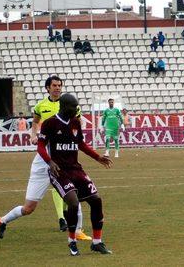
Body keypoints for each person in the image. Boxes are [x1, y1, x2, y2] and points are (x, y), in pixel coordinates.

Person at [0, 76, 91, 241]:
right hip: (43, 159)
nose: (57, 88)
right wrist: (33, 135)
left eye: (59, 85)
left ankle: (77, 231)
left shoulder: (69, 104)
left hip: (63, 158)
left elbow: (77, 123)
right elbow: (35, 122)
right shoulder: (41, 106)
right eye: (54, 85)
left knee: (73, 193)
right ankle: (3, 220)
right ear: (48, 88)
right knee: (29, 208)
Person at [38, 93, 113, 256]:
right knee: (72, 203)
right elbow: (41, 146)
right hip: (59, 171)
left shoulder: (75, 122)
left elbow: (80, 144)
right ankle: (72, 241)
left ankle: (97, 242)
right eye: (73, 106)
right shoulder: (50, 123)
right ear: (64, 107)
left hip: (75, 169)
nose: (76, 109)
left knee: (96, 200)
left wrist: (97, 157)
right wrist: (50, 162)